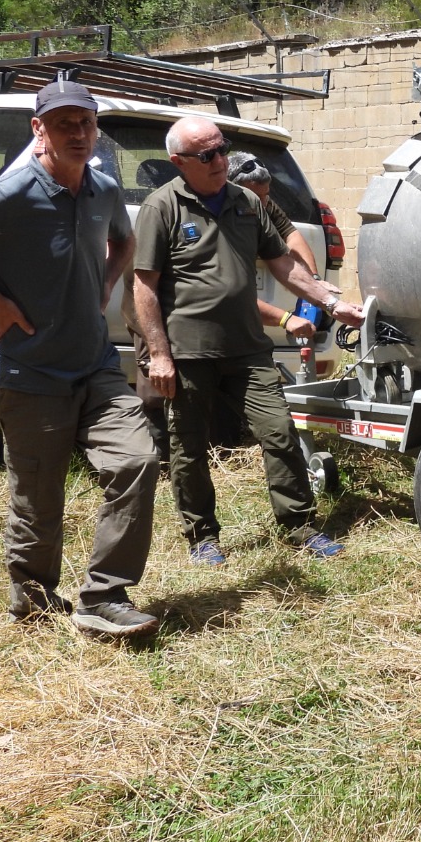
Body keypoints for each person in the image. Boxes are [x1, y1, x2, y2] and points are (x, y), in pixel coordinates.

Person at [0, 80, 161, 638]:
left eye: (86, 123)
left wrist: (105, 282)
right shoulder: (9, 194)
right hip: (31, 373)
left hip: (96, 363)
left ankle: (104, 597)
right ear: (39, 130)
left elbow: (123, 240)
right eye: (64, 124)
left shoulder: (101, 188)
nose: (78, 133)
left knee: (136, 462)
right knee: (38, 494)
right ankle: (32, 596)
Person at [130, 116, 364, 566]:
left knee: (278, 432)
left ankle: (298, 525)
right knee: (189, 448)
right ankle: (202, 537)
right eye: (207, 155)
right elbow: (144, 286)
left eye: (222, 148)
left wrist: (332, 302)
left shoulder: (245, 202)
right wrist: (159, 353)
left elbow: (286, 266)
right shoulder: (163, 207)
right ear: (179, 162)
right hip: (188, 350)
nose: (220, 160)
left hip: (247, 346)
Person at [226, 150, 337, 346]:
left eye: (266, 195)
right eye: (254, 196)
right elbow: (233, 297)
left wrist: (314, 281)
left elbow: (292, 237)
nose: (261, 202)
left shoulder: (265, 205)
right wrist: (286, 319)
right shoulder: (219, 217)